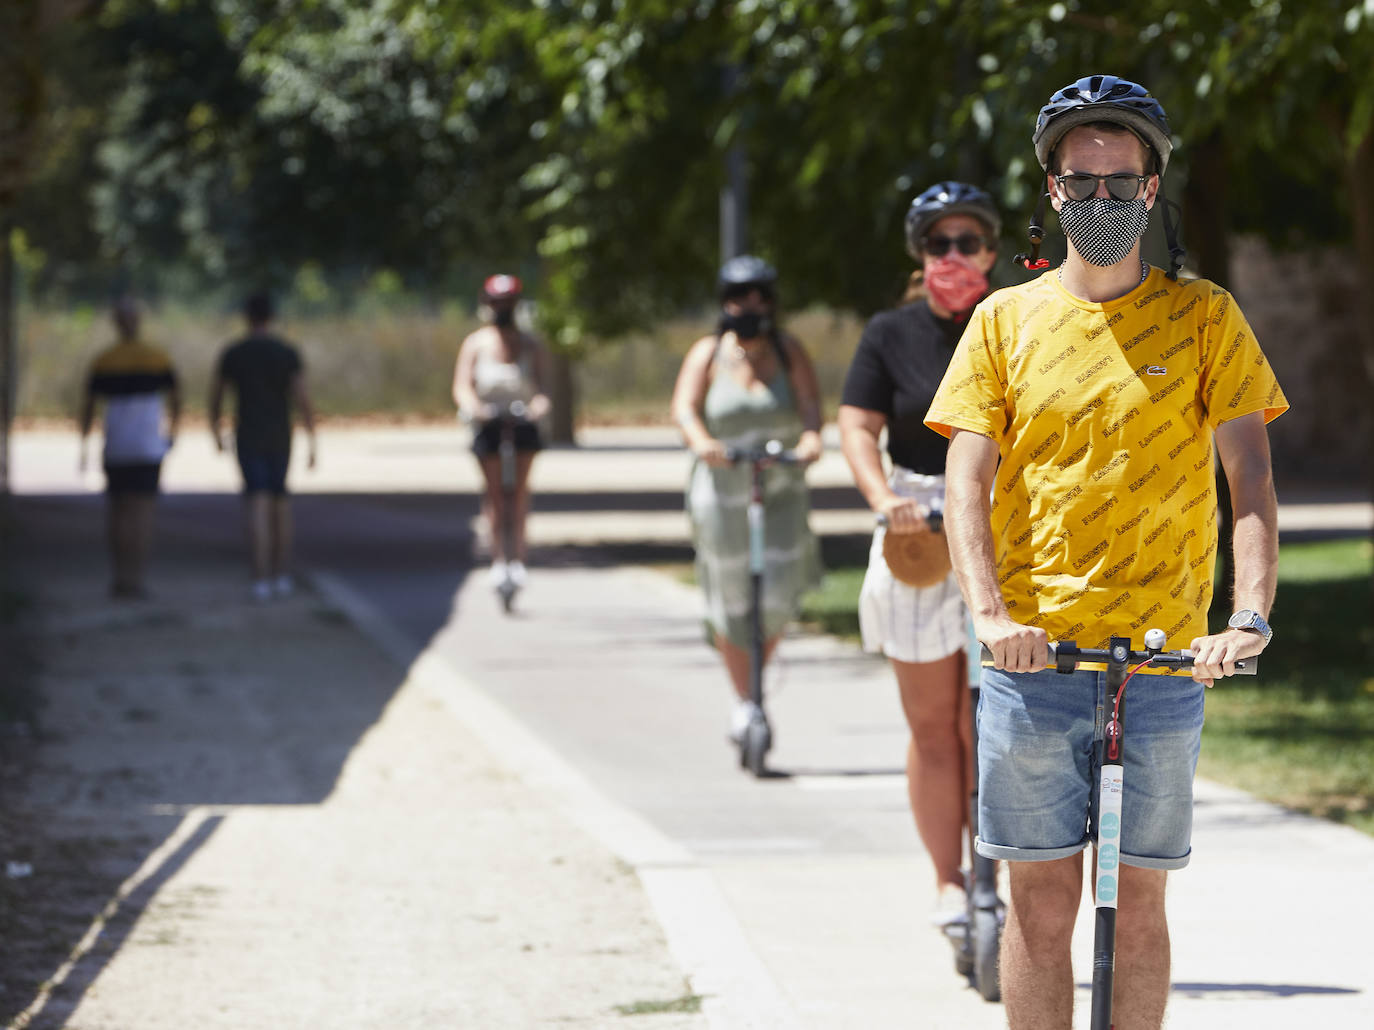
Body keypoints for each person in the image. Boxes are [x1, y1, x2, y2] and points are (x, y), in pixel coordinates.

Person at [925, 74, 1288, 1029]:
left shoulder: (1206, 318)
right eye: (1080, 185)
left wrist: (1245, 618)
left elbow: (1249, 479)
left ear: (1152, 190)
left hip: (1164, 665)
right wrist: (991, 616)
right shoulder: (1004, 322)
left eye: (1121, 184)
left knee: (1140, 906)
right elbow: (967, 481)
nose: (1102, 203)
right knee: (1041, 907)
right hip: (1035, 660)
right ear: (1051, 193)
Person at [837, 181, 1000, 926]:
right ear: (921, 254)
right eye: (941, 244)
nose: (955, 257)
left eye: (968, 243)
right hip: (919, 532)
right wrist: (881, 499)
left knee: (993, 724)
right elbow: (856, 426)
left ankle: (1004, 876)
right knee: (935, 726)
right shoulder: (890, 333)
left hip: (1007, 528)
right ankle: (949, 881)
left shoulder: (1019, 322)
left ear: (993, 250)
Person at [671, 256, 823, 741]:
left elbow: (811, 406)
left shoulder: (787, 349)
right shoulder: (708, 352)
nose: (749, 306)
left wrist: (812, 440)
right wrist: (702, 444)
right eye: (740, 297)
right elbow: (685, 408)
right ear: (724, 302)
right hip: (723, 489)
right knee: (731, 593)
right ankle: (746, 702)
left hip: (778, 483)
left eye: (759, 296)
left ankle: (756, 678)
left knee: (777, 588)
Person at [209, 291, 317, 602]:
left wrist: (215, 431)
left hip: (249, 435)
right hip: (280, 436)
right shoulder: (286, 351)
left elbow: (216, 397)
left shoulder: (234, 352)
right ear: (271, 316)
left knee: (257, 504)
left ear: (247, 316)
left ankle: (260, 576)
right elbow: (303, 399)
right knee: (280, 504)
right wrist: (312, 440)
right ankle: (281, 573)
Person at [451, 274, 551, 589]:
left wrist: (537, 408)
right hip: (488, 423)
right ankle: (497, 558)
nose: (502, 307)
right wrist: (475, 409)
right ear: (487, 303)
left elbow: (542, 390)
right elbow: (462, 387)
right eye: (497, 301)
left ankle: (519, 557)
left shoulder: (530, 344)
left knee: (518, 494)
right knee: (495, 495)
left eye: (507, 301)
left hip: (521, 423)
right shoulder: (476, 342)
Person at [78, 296, 180, 599]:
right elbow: (176, 398)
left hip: (117, 446)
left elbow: (88, 407)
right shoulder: (157, 358)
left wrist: (83, 446)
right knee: (142, 513)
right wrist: (172, 434)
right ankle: (135, 578)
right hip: (148, 446)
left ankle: (121, 577)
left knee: (118, 511)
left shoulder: (104, 360)